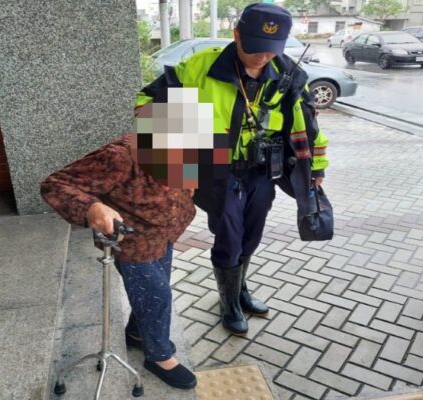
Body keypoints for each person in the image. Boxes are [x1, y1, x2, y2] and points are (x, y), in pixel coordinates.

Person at [135, 3, 330, 336]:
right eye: (254, 47)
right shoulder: (200, 67)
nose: (262, 57)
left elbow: (308, 126)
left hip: (262, 170)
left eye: (270, 50)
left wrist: (316, 168)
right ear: (236, 34)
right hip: (217, 171)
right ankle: (228, 303)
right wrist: (179, 166)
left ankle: (239, 288)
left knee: (252, 233)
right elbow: (146, 104)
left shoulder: (288, 74)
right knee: (229, 234)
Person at [40, 89, 226, 389]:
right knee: (158, 295)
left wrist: (188, 180)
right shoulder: (120, 156)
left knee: (151, 292)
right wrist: (92, 207)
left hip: (164, 234)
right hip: (133, 242)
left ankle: (137, 334)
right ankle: (159, 356)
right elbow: (54, 184)